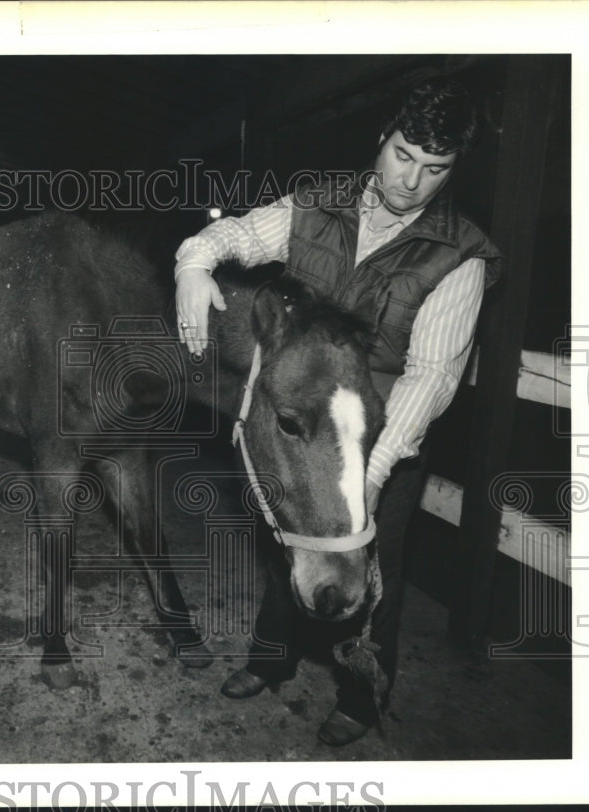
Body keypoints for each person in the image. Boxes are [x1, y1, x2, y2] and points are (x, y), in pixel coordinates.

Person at [173, 78, 502, 746]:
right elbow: (238, 232)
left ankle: (360, 694)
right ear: (383, 138)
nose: (411, 180)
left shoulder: (459, 255)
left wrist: (372, 472)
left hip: (382, 430)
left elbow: (430, 377)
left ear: (454, 170)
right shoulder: (318, 203)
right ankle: (272, 659)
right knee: (286, 535)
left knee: (373, 565)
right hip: (310, 418)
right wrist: (193, 261)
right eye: (404, 155)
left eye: (434, 169)